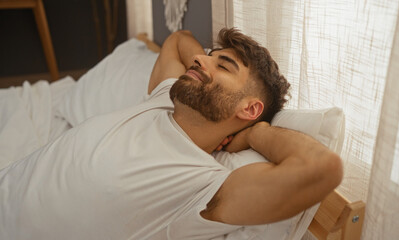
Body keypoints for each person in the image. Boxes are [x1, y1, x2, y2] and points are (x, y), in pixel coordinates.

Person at [0, 28, 342, 239]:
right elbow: (178, 40)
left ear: (249, 109)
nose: (199, 60)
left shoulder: (203, 188)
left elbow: (322, 169)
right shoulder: (163, 98)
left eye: (223, 66)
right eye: (209, 55)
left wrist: (256, 134)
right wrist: (210, 60)